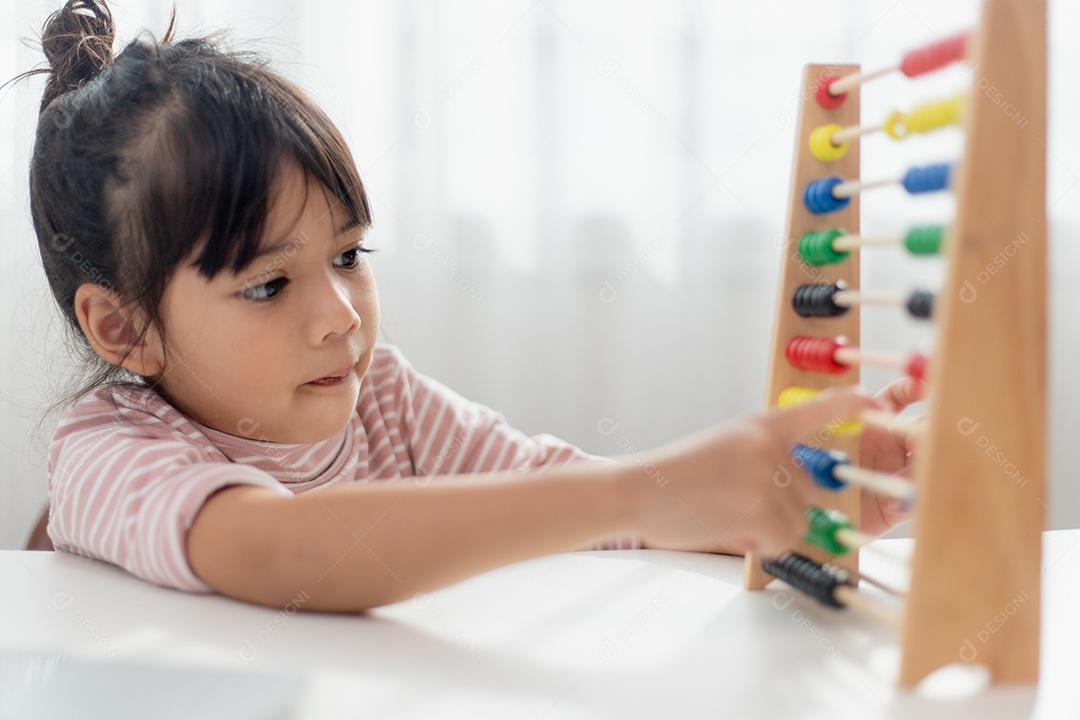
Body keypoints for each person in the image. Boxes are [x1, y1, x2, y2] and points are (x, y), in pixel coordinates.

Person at [20, 0, 917, 612]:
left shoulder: (384, 402)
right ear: (123, 327)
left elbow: (585, 510)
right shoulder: (104, 454)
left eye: (347, 255)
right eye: (266, 283)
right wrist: (639, 490)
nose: (341, 315)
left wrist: (782, 498)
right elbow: (285, 552)